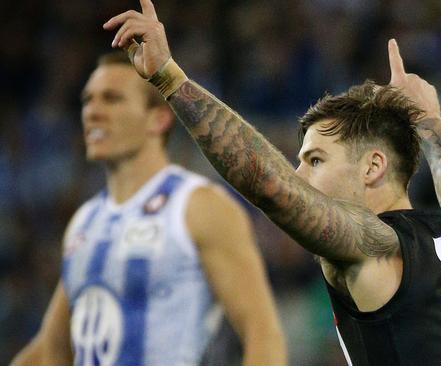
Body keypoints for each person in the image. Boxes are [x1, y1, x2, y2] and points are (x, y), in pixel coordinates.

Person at [103, 1, 441, 364]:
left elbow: (272, 187)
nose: (299, 175)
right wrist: (429, 121)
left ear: (372, 167)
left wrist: (170, 80)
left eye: (315, 159)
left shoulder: (373, 245)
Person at [10, 51, 287, 366]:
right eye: (88, 100)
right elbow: (50, 348)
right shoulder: (85, 222)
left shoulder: (199, 206)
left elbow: (262, 334)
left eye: (111, 99)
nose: (92, 112)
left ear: (159, 119)